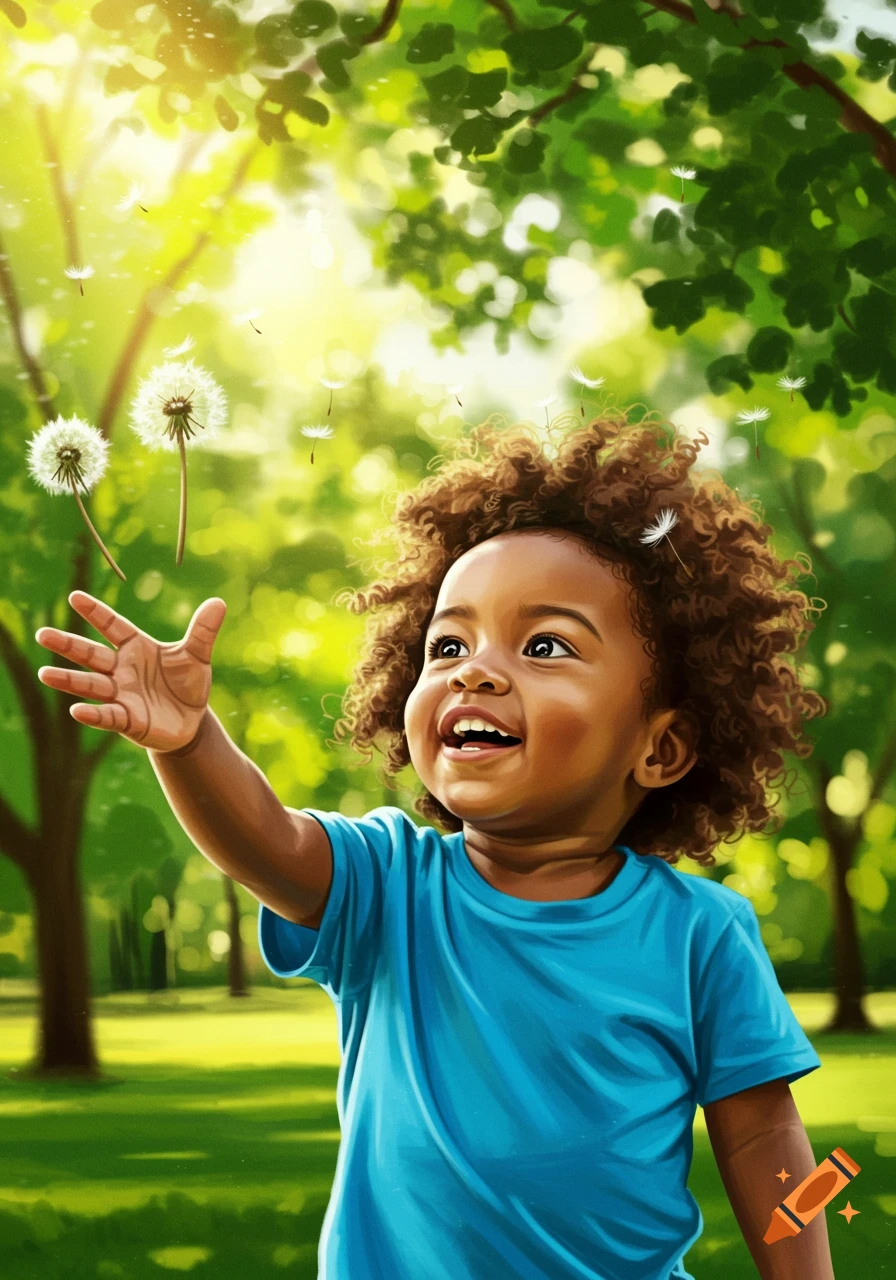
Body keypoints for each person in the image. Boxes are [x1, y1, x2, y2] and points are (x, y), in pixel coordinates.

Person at [34, 413, 834, 1280]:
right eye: (448, 644)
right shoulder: (391, 886)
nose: (473, 671)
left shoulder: (701, 934)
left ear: (662, 747)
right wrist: (188, 743)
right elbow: (265, 843)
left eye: (545, 646)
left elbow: (765, 1135)